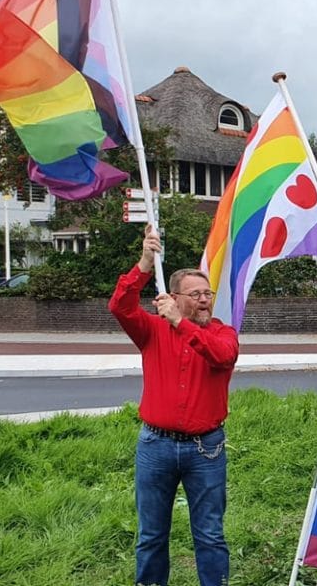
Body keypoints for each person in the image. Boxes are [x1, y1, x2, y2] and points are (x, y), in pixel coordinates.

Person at [108, 225, 239, 586]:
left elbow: (221, 357)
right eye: (194, 294)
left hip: (206, 449)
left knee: (210, 535)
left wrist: (181, 324)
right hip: (156, 445)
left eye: (207, 293)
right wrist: (146, 262)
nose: (203, 300)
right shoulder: (151, 329)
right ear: (174, 297)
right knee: (151, 536)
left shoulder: (222, 332)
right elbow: (119, 305)